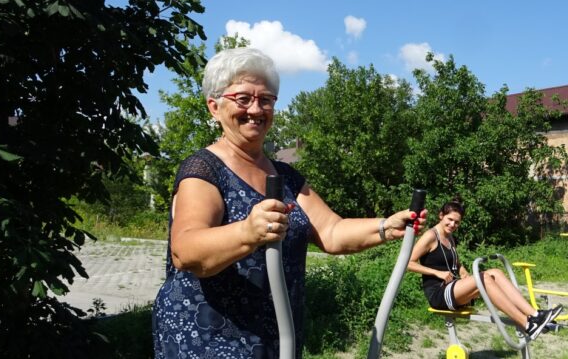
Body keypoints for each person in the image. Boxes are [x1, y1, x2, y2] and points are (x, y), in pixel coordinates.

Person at [151, 47, 427, 359]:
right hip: (209, 343)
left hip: (275, 343)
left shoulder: (286, 177)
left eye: (265, 99)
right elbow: (184, 250)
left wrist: (384, 226)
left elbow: (332, 231)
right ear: (214, 106)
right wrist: (247, 232)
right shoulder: (203, 170)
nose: (256, 109)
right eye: (243, 98)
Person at [407, 197, 561, 340]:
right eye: (450, 220)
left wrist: (463, 272)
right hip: (438, 293)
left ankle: (535, 314)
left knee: (496, 272)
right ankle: (527, 324)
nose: (453, 225)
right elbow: (408, 263)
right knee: (484, 279)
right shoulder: (430, 236)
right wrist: (436, 273)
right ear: (441, 215)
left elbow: (455, 262)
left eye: (457, 222)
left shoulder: (450, 237)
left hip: (452, 287)